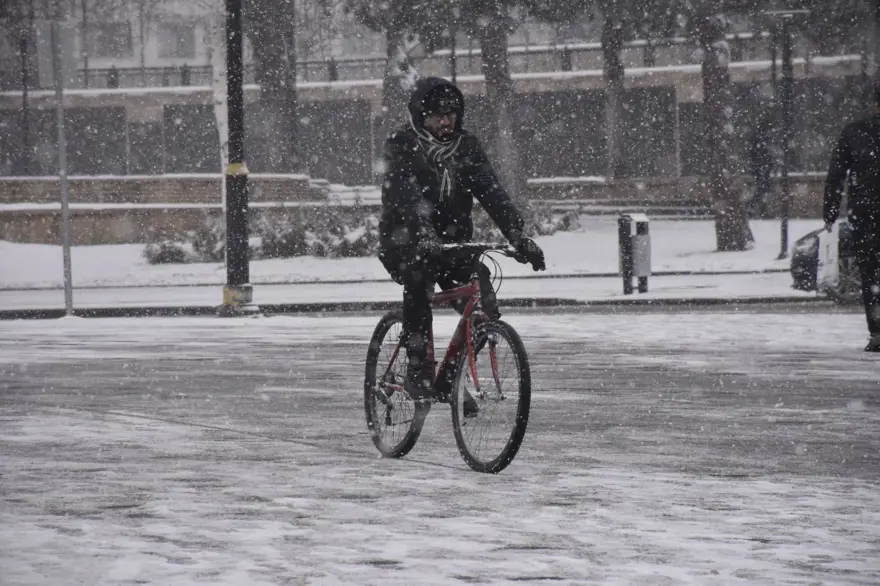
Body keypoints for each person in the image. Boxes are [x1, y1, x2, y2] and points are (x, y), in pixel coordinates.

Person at [378, 77, 546, 401]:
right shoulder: (402, 143)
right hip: (404, 240)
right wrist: (422, 230)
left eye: (452, 114)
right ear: (421, 115)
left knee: (483, 305)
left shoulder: (466, 147)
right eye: (438, 115)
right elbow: (405, 194)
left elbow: (491, 192)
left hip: (452, 243)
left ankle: (449, 381)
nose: (446, 121)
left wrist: (518, 235)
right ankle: (418, 373)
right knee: (418, 278)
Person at [823, 86, 880, 352]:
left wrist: (830, 212)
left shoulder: (856, 132)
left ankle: (877, 329)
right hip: (866, 210)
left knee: (870, 272)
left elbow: (836, 175)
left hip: (866, 212)